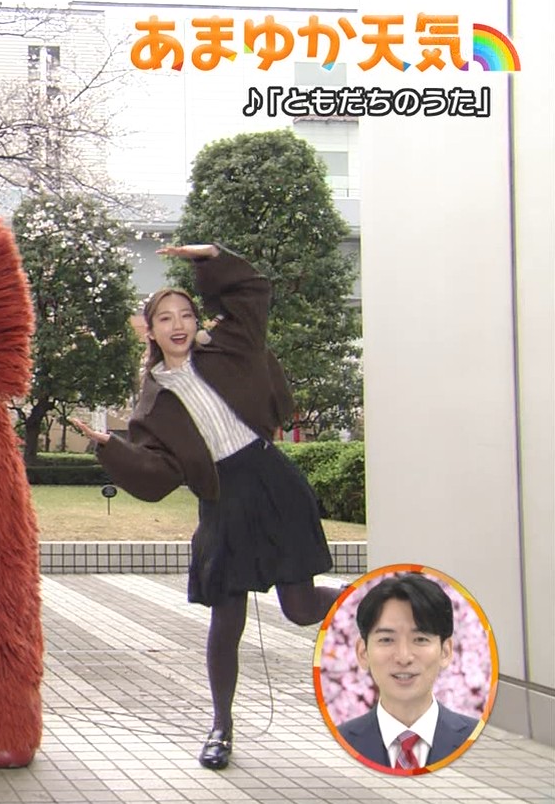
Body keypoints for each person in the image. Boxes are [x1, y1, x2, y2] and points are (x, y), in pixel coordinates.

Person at [72, 243, 339, 771]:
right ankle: (221, 727)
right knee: (226, 616)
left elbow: (253, 293)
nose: (178, 324)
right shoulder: (153, 401)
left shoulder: (230, 349)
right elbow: (158, 472)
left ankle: (373, 598)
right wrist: (110, 447)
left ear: (196, 321)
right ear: (150, 331)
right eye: (165, 318)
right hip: (222, 500)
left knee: (301, 608)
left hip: (272, 481)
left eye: (186, 315)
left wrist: (211, 256)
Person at [336, 573, 480, 771]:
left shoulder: (475, 739)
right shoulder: (341, 741)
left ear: (445, 652)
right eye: (387, 640)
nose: (403, 657)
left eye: (420, 639)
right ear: (363, 652)